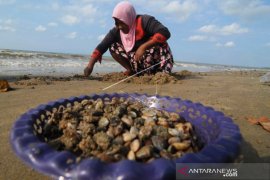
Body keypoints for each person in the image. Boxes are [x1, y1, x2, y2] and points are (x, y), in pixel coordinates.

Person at [84, 1, 174, 77]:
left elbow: (165, 32)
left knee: (159, 42)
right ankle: (131, 70)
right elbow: (102, 46)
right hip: (142, 62)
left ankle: (161, 71)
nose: (119, 27)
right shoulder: (116, 31)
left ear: (128, 18)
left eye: (122, 23)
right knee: (112, 46)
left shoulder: (145, 21)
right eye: (116, 23)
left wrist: (144, 47)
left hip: (157, 60)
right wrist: (90, 66)